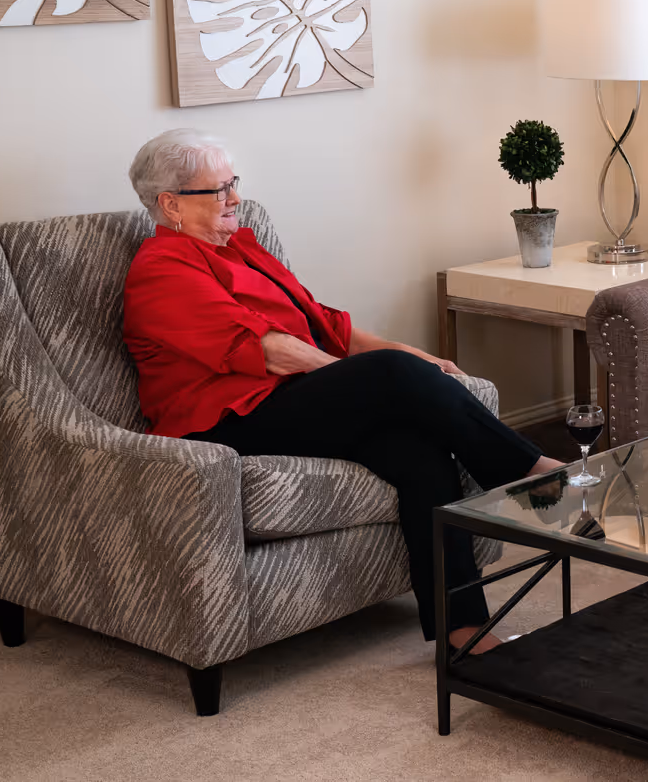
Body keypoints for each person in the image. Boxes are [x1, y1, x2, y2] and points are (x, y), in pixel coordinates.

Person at [119, 129, 565, 653]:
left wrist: (416, 358)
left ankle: (462, 631)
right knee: (390, 376)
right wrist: (368, 378)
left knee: (420, 456)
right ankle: (530, 475)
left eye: (233, 183)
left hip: (290, 402)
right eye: (218, 190)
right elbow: (268, 349)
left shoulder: (241, 247)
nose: (235, 199)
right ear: (170, 204)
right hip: (228, 421)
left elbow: (326, 323)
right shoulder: (161, 269)